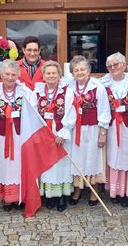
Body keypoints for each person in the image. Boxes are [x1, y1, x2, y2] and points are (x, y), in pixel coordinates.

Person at [58, 55, 111, 206]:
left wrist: (102, 133)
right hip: (75, 129)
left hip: (93, 128)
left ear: (88, 71)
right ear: (72, 73)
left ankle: (95, 189)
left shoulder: (97, 87)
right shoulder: (69, 87)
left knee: (92, 157)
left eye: (82, 69)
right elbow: (67, 109)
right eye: (76, 70)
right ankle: (78, 189)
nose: (79, 72)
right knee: (77, 157)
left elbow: (104, 111)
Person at [0, 59, 38, 211]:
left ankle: (20, 196)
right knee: (2, 165)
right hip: (0, 135)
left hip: (19, 135)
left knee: (19, 165)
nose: (10, 77)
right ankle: (7, 198)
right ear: (1, 75)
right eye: (7, 74)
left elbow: (34, 110)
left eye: (13, 74)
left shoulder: (25, 91)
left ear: (18, 75)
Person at [101, 52, 128, 207]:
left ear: (124, 65)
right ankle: (113, 191)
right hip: (111, 126)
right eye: (109, 66)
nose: (112, 68)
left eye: (116, 64)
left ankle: (126, 193)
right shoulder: (104, 84)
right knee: (113, 156)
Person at [36, 61, 73, 212]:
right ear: (43, 76)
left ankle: (62, 197)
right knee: (47, 166)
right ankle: (50, 196)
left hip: (60, 135)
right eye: (48, 73)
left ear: (59, 75)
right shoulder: (37, 92)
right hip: (44, 136)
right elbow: (33, 114)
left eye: (54, 73)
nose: (51, 76)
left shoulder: (67, 92)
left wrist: (62, 134)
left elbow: (71, 113)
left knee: (61, 165)